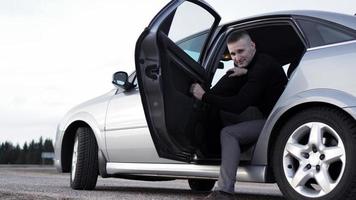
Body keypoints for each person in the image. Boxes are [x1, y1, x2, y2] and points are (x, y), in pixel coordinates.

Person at [190, 31, 288, 200]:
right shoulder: (253, 67)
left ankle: (224, 191)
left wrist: (203, 96)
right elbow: (227, 95)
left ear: (253, 46)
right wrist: (244, 73)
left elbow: (238, 105)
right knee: (220, 111)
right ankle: (234, 151)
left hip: (274, 123)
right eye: (233, 53)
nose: (237, 58)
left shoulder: (263, 65)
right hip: (264, 116)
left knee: (228, 133)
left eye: (240, 51)